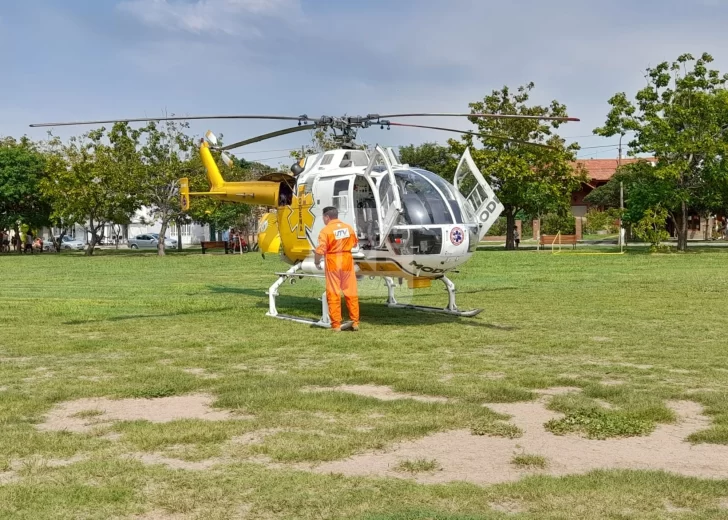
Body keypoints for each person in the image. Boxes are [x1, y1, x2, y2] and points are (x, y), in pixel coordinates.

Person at [314, 206, 360, 332]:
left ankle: (336, 325)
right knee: (351, 292)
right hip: (347, 261)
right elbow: (355, 243)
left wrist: (316, 261)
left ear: (326, 217)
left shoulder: (325, 231)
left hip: (333, 262)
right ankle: (355, 322)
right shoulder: (348, 228)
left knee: (333, 293)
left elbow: (320, 249)